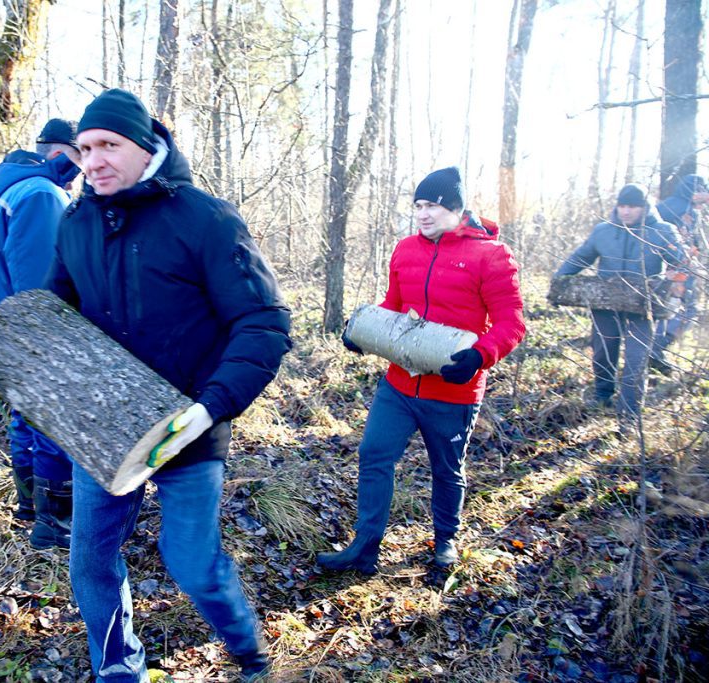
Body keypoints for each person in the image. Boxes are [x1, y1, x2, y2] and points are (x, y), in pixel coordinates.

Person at [47, 89, 291, 682]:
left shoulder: (204, 218)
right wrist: (8, 351)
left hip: (189, 424)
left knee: (191, 563)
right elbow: (56, 311)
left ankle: (249, 655)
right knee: (90, 563)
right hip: (104, 429)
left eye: (109, 145)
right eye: (84, 149)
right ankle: (117, 670)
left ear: (145, 145)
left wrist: (210, 409)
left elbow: (264, 322)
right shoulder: (77, 222)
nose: (94, 160)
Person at [318, 166, 526, 575]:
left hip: (453, 389)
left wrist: (480, 356)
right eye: (418, 206)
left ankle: (445, 541)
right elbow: (394, 307)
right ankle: (364, 548)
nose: (423, 214)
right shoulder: (405, 250)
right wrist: (363, 332)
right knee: (374, 454)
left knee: (447, 469)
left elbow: (512, 322)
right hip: (398, 384)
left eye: (432, 205)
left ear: (455, 207)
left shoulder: (491, 255)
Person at [0, 118, 82, 550]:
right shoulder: (42, 193)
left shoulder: (18, 188)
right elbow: (42, 279)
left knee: (29, 420)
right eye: (82, 156)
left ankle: (31, 509)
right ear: (61, 154)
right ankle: (56, 525)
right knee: (54, 425)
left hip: (14, 332)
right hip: (38, 332)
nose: (86, 169)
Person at [555, 184, 686, 418]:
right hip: (605, 303)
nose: (626, 211)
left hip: (644, 307)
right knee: (604, 351)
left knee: (636, 359)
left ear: (644, 208)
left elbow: (681, 263)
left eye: (633, 207)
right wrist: (559, 281)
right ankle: (603, 395)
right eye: (622, 206)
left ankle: (630, 412)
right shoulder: (603, 230)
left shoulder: (664, 231)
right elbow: (581, 257)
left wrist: (673, 283)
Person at [650, 174, 708, 374]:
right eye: (703, 191)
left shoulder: (683, 208)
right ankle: (656, 350)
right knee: (684, 311)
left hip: (677, 269)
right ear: (694, 191)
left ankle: (655, 351)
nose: (706, 196)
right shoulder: (678, 208)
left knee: (669, 311)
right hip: (675, 271)